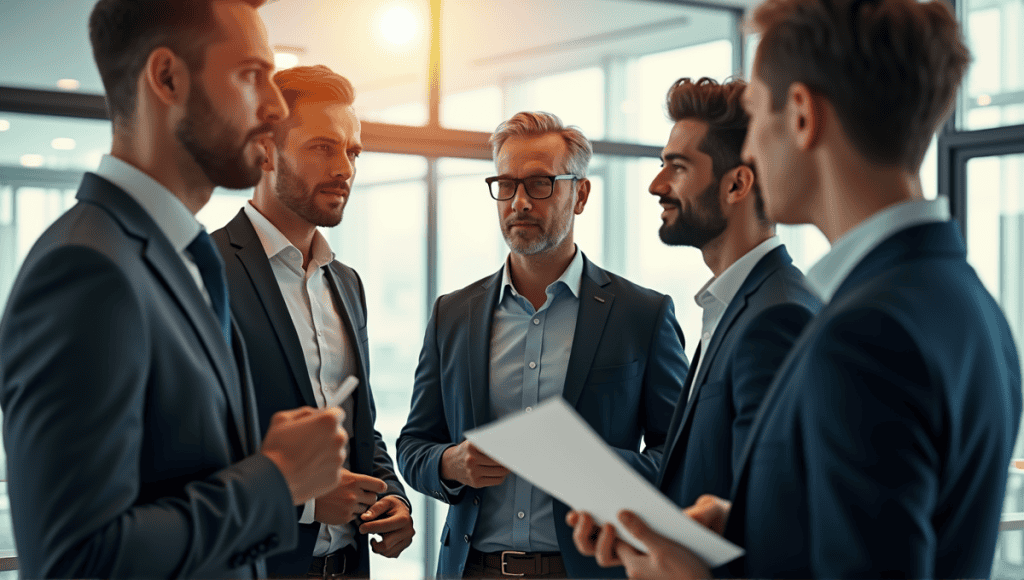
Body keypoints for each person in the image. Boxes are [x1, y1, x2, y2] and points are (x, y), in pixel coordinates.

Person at [569, 0, 1023, 577]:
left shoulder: (866, 333)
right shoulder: (965, 300)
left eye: (758, 114)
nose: (752, 149)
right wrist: (749, 527)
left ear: (803, 116)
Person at [0, 1, 350, 577]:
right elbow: (75, 561)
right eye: (250, 76)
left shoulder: (183, 261)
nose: (275, 107)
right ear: (167, 78)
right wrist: (277, 479)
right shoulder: (86, 270)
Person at [396, 111, 689, 579]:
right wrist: (450, 463)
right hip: (474, 569)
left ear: (581, 194)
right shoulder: (452, 314)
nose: (519, 203)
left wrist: (593, 468)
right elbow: (412, 446)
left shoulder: (642, 315)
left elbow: (679, 460)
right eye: (506, 184)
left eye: (540, 184)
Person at [569, 77, 821, 565]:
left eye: (677, 167)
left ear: (736, 184)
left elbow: (773, 522)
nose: (656, 184)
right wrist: (638, 529)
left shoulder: (780, 315)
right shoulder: (734, 305)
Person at [211, 64, 413, 579]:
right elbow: (187, 453)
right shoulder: (201, 272)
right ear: (264, 150)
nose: (345, 167)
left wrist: (391, 495)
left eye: (353, 151)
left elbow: (356, 426)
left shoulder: (346, 283)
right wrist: (299, 502)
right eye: (323, 147)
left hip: (348, 567)